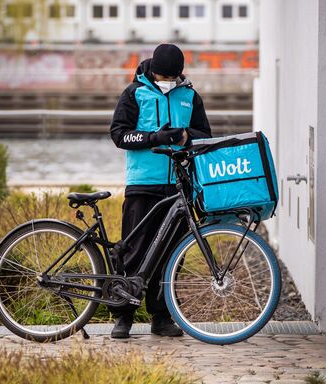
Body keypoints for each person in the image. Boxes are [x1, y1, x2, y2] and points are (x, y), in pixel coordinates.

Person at [110, 43, 211, 339]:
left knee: (170, 253)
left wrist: (184, 135)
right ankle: (123, 316)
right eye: (161, 76)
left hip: (179, 186)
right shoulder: (134, 93)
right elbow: (118, 134)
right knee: (133, 251)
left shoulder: (190, 96)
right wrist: (153, 136)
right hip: (142, 184)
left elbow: (205, 135)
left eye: (171, 77)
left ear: (179, 74)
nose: (165, 81)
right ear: (152, 70)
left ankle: (161, 317)